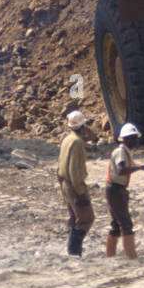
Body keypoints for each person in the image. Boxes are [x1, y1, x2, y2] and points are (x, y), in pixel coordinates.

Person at [105, 122, 144, 258]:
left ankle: (110, 256)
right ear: (125, 139)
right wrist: (141, 168)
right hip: (115, 189)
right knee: (126, 224)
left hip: (116, 189)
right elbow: (121, 170)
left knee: (116, 224)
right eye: (133, 138)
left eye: (136, 137)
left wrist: (141, 167)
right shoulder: (121, 152)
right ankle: (132, 258)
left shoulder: (124, 151)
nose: (136, 140)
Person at [57, 110, 94, 256]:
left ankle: (73, 252)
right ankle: (74, 252)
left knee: (76, 218)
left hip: (65, 183)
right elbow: (74, 171)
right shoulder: (77, 143)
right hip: (74, 185)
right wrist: (81, 193)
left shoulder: (66, 139)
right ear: (83, 127)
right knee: (86, 219)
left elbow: (60, 166)